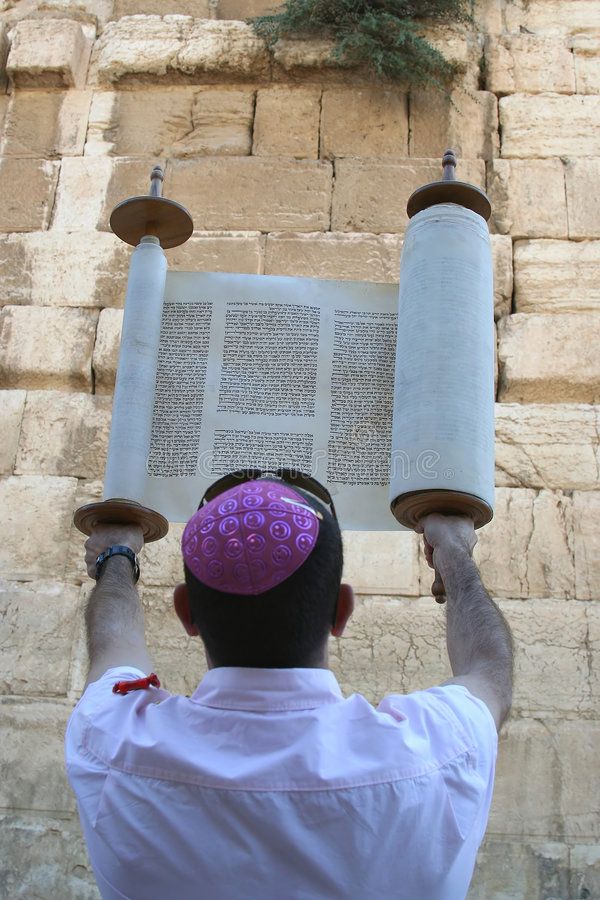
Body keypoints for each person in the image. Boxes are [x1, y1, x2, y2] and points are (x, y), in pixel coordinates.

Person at [65, 471, 513, 900]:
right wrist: (453, 549)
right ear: (341, 611)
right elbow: (488, 669)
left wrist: (116, 555)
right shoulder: (437, 750)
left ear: (186, 615)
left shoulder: (114, 743)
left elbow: (113, 647)